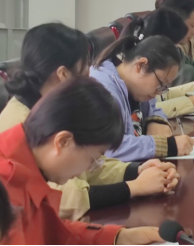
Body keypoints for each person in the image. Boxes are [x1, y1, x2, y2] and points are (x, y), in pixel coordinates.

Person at [0, 23, 178, 221]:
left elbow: (89, 164)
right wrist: (133, 187)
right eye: (85, 75)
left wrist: (136, 171)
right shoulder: (18, 125)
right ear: (63, 75)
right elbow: (60, 200)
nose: (90, 81)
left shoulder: (56, 108)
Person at [0, 77, 163, 245]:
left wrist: (120, 237)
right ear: (63, 141)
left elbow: (52, 232)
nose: (89, 169)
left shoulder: (26, 166)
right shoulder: (6, 186)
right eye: (92, 159)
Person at [91, 35, 194, 162]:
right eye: (161, 84)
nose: (158, 93)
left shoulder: (137, 87)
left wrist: (155, 120)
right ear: (140, 65)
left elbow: (154, 108)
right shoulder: (102, 90)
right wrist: (167, 146)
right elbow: (108, 148)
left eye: (164, 87)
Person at [124, 9, 194, 118]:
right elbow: (148, 111)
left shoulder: (140, 78)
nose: (193, 32)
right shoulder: (120, 91)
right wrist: (190, 102)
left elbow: (162, 97)